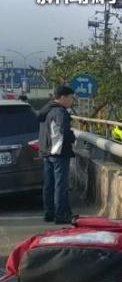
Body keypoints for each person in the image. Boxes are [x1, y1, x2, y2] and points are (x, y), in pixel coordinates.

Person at [37, 85, 77, 224]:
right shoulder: (60, 112)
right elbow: (64, 131)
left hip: (46, 151)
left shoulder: (46, 110)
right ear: (63, 97)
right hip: (58, 152)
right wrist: (72, 137)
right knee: (61, 185)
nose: (72, 101)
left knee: (49, 184)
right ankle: (62, 215)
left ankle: (49, 213)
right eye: (71, 98)